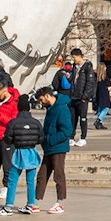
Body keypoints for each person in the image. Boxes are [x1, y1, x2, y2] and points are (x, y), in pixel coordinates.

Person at [0, 97, 43, 216]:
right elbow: (41, 138)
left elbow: (7, 138)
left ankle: (8, 206)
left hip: (19, 153)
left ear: (18, 108)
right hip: (32, 152)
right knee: (30, 181)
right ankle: (31, 204)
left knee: (12, 180)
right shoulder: (36, 122)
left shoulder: (13, 122)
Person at [34, 86, 73, 214]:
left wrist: (50, 140)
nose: (41, 103)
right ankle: (35, 202)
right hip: (49, 148)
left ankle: (60, 202)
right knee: (42, 175)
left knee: (58, 175)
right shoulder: (50, 109)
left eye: (41, 100)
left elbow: (67, 130)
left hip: (58, 147)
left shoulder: (62, 109)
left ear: (47, 96)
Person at [69, 48, 95, 145]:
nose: (73, 59)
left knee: (83, 118)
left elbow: (90, 82)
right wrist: (69, 78)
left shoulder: (87, 66)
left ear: (79, 56)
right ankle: (71, 137)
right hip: (74, 96)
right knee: (73, 118)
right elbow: (75, 80)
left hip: (82, 97)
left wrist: (85, 96)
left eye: (74, 57)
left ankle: (83, 137)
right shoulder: (74, 67)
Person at [93, 63, 111, 129]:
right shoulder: (104, 76)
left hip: (98, 92)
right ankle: (99, 120)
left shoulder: (96, 76)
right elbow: (109, 83)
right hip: (104, 92)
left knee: (100, 108)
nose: (106, 68)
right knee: (106, 107)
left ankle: (99, 124)